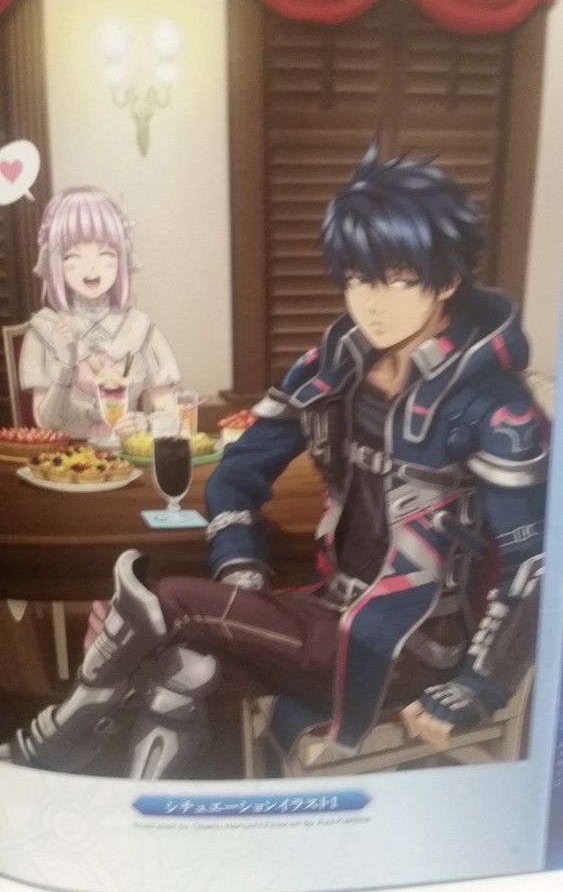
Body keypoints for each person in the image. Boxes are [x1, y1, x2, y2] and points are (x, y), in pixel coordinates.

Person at [4, 145, 547, 777]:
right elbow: (238, 472)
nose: (372, 302)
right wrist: (242, 571)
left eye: (398, 279)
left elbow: (535, 559)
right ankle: (150, 810)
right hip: (326, 610)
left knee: (170, 601)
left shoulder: (493, 405)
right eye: (357, 279)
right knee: (183, 667)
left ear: (447, 279)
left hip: (411, 648)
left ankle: (54, 741)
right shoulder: (333, 366)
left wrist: (480, 684)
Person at [19, 185, 181, 440]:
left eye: (105, 253)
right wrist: (65, 364)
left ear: (122, 257)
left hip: (128, 456)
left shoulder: (140, 327)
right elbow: (46, 423)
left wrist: (146, 423)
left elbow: (171, 415)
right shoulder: (44, 329)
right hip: (65, 458)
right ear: (54, 262)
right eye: (72, 256)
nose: (91, 267)